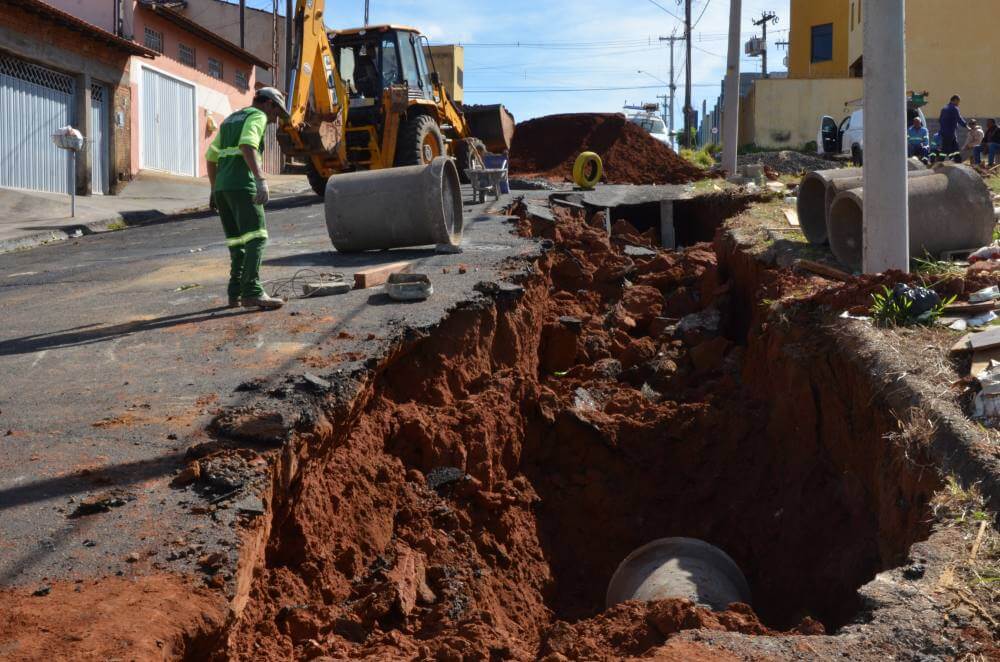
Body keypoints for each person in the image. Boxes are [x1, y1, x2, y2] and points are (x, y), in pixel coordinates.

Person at [206, 87, 289, 310]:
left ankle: (235, 293)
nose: (275, 120)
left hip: (223, 188)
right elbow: (247, 144)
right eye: (277, 113)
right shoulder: (257, 115)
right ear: (269, 104)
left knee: (237, 242)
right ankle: (251, 292)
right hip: (242, 184)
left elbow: (211, 157)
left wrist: (214, 189)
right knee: (257, 237)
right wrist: (261, 179)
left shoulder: (231, 119)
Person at [938, 94, 967, 163]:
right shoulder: (954, 108)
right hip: (950, 132)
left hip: (945, 131)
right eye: (958, 102)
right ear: (955, 100)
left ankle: (958, 160)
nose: (959, 103)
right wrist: (966, 125)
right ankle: (939, 162)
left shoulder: (944, 108)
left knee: (955, 146)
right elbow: (959, 119)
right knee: (945, 148)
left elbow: (939, 120)